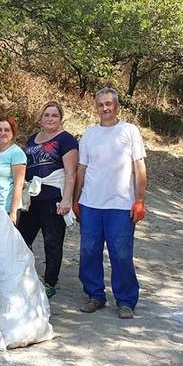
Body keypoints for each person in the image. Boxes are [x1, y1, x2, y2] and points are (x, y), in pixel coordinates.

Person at [74, 87, 147, 319]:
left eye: (109, 104)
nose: (105, 108)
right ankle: (95, 295)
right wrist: (76, 200)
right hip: (91, 204)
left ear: (116, 106)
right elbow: (81, 169)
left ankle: (125, 301)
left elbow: (139, 168)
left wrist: (140, 200)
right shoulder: (89, 134)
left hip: (121, 205)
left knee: (121, 253)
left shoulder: (129, 131)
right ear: (96, 108)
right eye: (100, 104)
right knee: (88, 251)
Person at [17, 101, 78, 299]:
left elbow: (70, 173)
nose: (50, 118)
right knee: (22, 238)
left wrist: (67, 199)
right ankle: (23, 276)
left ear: (61, 119)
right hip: (32, 198)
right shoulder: (32, 139)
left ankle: (50, 281)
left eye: (54, 115)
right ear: (41, 118)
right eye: (46, 115)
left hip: (54, 197)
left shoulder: (66, 140)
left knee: (52, 242)